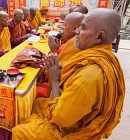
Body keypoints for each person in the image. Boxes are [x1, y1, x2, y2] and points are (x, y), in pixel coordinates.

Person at [12, 8, 125, 139]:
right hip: (73, 110)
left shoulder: (89, 76)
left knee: (19, 131)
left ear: (99, 36)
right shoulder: (102, 56)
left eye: (82, 28)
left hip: (70, 128)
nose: (76, 31)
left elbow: (60, 118)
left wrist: (54, 79)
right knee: (36, 104)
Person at [37, 12, 84, 98]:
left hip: (58, 89)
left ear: (75, 28)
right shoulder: (74, 41)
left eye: (64, 25)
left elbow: (55, 72)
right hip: (59, 84)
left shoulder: (74, 45)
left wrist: (54, 51)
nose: (62, 28)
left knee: (32, 92)